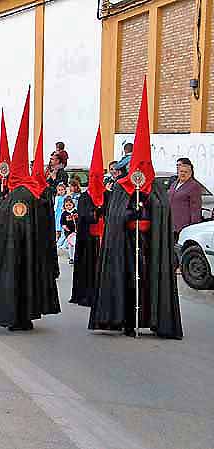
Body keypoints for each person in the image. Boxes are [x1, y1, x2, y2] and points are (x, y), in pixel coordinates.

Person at [89, 81, 182, 339]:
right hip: (127, 245)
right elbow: (115, 215)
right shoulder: (121, 188)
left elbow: (163, 216)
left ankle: (150, 318)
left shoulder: (157, 190)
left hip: (149, 246)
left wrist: (149, 211)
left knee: (149, 281)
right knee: (128, 282)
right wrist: (130, 214)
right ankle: (126, 320)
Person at [0, 90, 60, 331]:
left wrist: (2, 200)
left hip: (15, 251)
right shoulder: (32, 192)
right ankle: (25, 315)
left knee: (15, 281)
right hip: (31, 250)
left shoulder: (19, 195)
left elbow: (9, 217)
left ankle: (17, 316)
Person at [70, 128, 107, 307]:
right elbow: (85, 216)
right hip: (88, 241)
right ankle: (86, 295)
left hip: (104, 239)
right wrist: (96, 213)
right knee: (88, 268)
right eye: (93, 177)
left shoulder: (108, 195)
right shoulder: (85, 197)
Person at [167, 158, 202, 242]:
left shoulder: (194, 186)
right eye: (181, 171)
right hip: (171, 225)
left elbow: (195, 209)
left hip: (183, 227)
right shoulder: (174, 184)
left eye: (185, 172)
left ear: (190, 173)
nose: (183, 174)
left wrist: (193, 228)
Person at [60, 196, 78, 264]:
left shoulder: (75, 211)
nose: (68, 206)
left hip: (76, 231)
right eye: (66, 205)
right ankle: (71, 258)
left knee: (76, 244)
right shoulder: (64, 214)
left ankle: (75, 256)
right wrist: (64, 226)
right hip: (69, 231)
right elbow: (62, 222)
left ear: (73, 204)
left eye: (69, 205)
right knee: (71, 244)